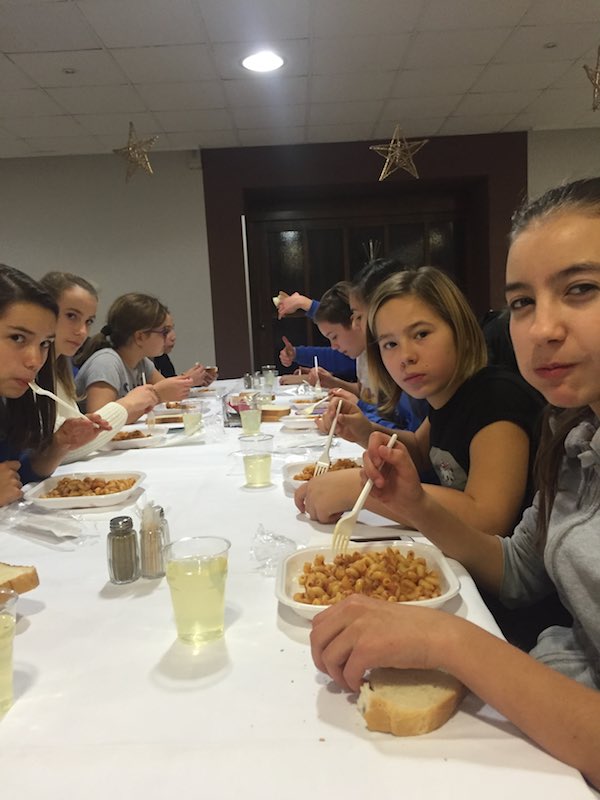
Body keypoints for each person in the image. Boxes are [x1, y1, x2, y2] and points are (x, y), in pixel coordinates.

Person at [310, 177, 600, 789]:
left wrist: (449, 641)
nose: (541, 329)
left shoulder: (499, 399)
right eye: (522, 302)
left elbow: (489, 517)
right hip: (544, 707)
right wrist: (414, 503)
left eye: (581, 289)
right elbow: (519, 569)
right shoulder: (571, 434)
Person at [296, 266, 543, 537]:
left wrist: (360, 490)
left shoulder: (496, 399)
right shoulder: (446, 396)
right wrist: (365, 431)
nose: (406, 356)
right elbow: (420, 452)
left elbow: (487, 519)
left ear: (460, 330)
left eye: (421, 334)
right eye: (390, 344)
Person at [0, 265, 105, 506]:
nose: (35, 360)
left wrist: (59, 445)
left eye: (44, 344)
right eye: (17, 338)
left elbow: (17, 473)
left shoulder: (9, 401)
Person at [40, 272, 159, 461]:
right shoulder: (104, 361)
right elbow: (52, 452)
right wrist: (127, 406)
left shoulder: (60, 370)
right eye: (71, 316)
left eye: (88, 321)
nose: (82, 331)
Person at [74, 293, 203, 418]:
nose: (171, 336)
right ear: (140, 337)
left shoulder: (142, 362)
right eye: (164, 331)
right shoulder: (106, 363)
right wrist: (156, 395)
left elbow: (169, 391)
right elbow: (100, 421)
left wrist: (184, 382)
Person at [152, 312, 216, 386]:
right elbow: (163, 389)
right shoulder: (143, 362)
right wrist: (187, 379)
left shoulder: (161, 357)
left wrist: (196, 380)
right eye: (165, 331)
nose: (173, 337)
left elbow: (167, 384)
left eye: (172, 329)